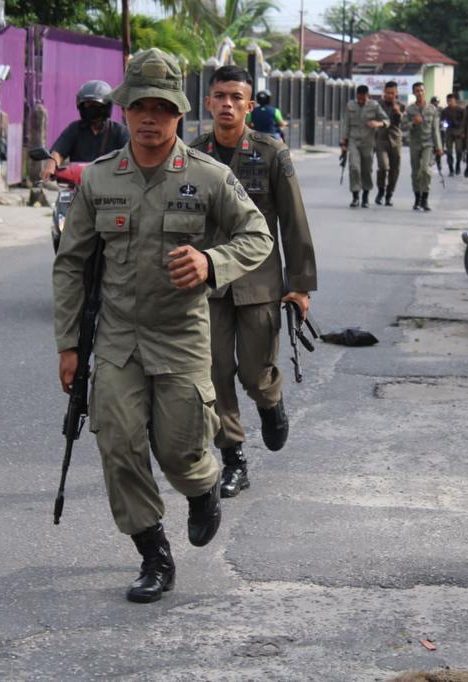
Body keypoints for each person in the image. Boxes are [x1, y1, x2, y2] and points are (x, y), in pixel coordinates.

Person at [52, 49, 273, 604]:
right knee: (119, 446)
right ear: (124, 111)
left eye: (161, 108)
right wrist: (70, 346)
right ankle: (153, 553)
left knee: (179, 451)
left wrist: (210, 263)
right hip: (119, 341)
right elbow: (72, 264)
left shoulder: (208, 176)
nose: (149, 118)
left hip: (182, 338)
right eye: (139, 108)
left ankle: (202, 489)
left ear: (178, 113)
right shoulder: (99, 180)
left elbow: (257, 236)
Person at [190, 65, 318, 499]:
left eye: (236, 98)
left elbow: (294, 222)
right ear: (208, 102)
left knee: (252, 372)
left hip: (259, 281)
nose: (227, 104)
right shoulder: (192, 155)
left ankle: (270, 400)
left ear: (249, 105)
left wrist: (298, 285)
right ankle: (234, 458)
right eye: (220, 96)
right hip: (208, 282)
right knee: (214, 372)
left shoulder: (271, 153)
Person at [40, 80, 130, 178]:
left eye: (95, 105)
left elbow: (129, 159)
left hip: (110, 186)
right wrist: (51, 165)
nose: (91, 108)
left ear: (106, 106)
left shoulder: (120, 132)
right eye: (87, 105)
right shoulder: (75, 129)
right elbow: (58, 152)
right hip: (78, 185)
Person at [340, 84, 389, 208]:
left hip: (368, 142)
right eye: (359, 98)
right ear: (357, 95)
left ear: (368, 96)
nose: (361, 100)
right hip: (353, 141)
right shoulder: (351, 105)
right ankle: (355, 196)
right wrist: (343, 143)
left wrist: (378, 123)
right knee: (354, 167)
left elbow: (387, 121)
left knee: (367, 170)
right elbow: (346, 124)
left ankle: (365, 195)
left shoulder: (374, 106)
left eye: (363, 98)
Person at [400, 82, 443, 212]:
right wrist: (413, 122)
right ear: (414, 93)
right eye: (417, 91)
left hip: (428, 144)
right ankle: (417, 198)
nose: (419, 93)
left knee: (425, 170)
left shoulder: (432, 109)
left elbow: (435, 129)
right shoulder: (410, 109)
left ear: (425, 92)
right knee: (415, 172)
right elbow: (403, 126)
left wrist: (439, 147)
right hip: (415, 143)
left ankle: (425, 198)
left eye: (421, 91)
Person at [374, 81, 404, 206]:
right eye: (387, 93)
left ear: (396, 93)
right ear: (384, 93)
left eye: (392, 93)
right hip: (381, 139)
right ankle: (381, 190)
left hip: (395, 140)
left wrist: (398, 112)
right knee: (383, 166)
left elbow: (401, 122)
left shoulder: (400, 106)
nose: (390, 95)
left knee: (394, 170)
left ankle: (389, 194)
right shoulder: (378, 105)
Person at [440, 93, 465, 177]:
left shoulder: (460, 110)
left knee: (459, 150)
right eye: (448, 101)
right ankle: (451, 169)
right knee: (449, 152)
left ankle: (458, 165)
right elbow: (442, 121)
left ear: (455, 100)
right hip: (449, 132)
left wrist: (463, 132)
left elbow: (465, 122)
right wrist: (444, 124)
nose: (449, 102)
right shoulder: (445, 111)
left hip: (459, 132)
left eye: (451, 100)